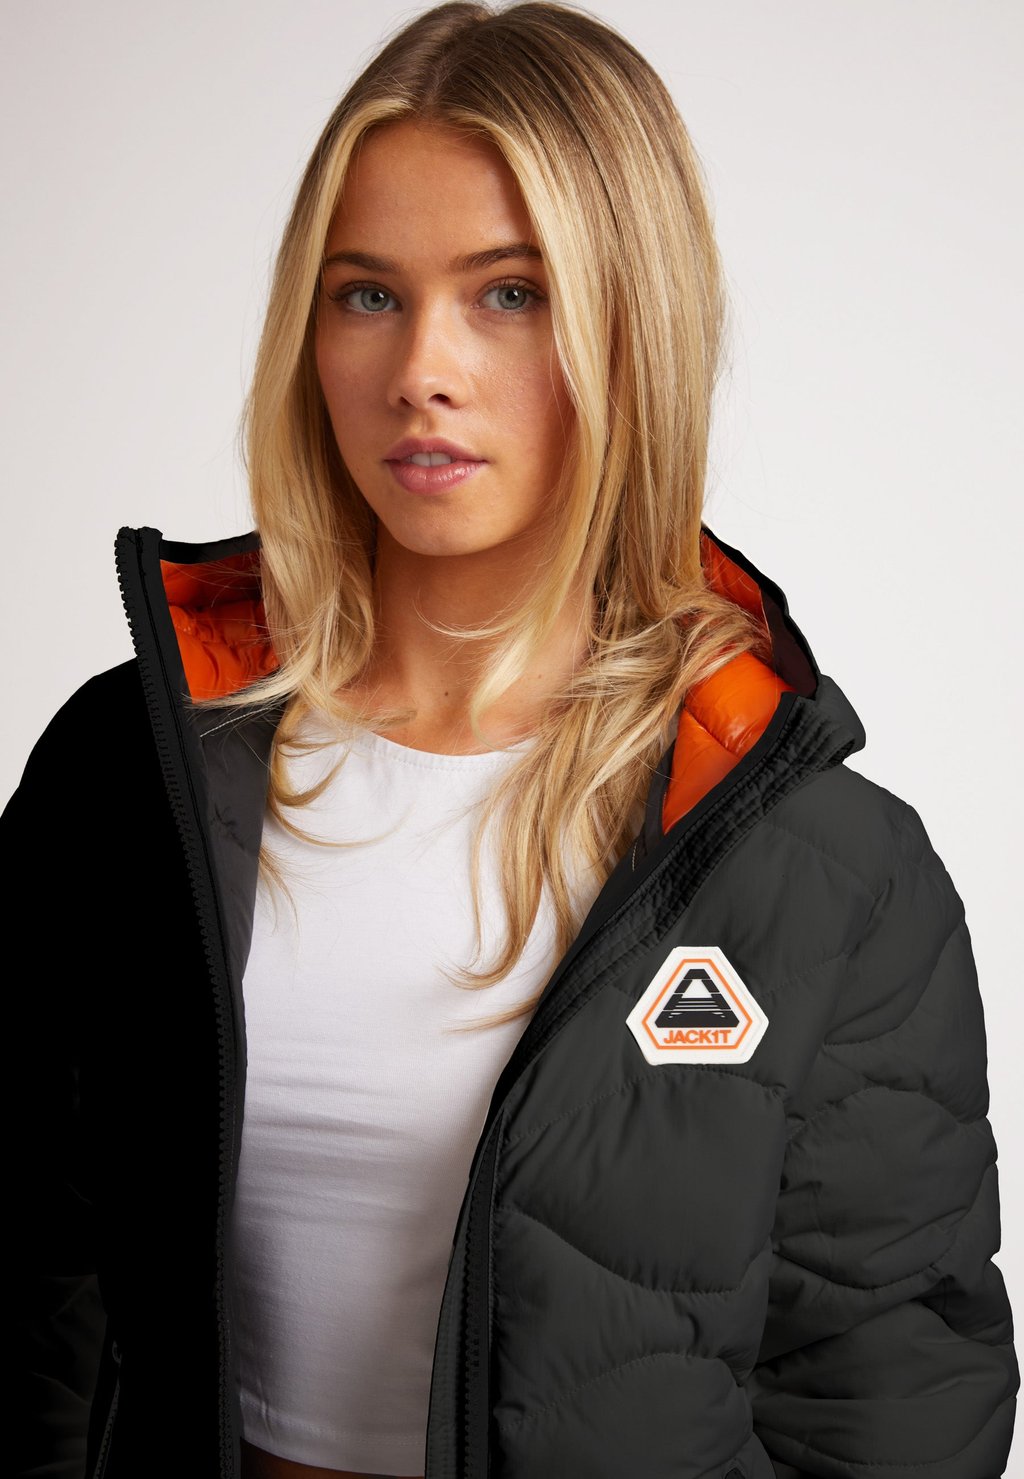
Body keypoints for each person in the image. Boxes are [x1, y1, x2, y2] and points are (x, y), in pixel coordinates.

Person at [9, 2, 1018, 1477]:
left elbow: (884, 1401)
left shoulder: (820, 868)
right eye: (367, 294)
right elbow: (29, 1292)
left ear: (632, 324)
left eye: (510, 294)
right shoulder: (131, 772)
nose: (422, 367)